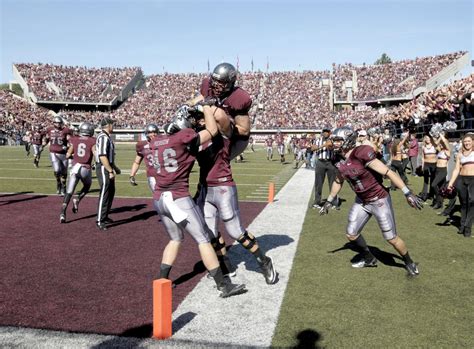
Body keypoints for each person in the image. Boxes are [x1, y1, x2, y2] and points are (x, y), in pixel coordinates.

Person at [153, 104, 247, 298]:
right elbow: (212, 131)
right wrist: (205, 108)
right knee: (203, 239)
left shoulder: (155, 142)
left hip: (159, 198)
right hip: (178, 198)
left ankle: (162, 280)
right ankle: (224, 285)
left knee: (175, 238)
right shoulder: (184, 139)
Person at [320, 126, 423, 277]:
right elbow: (338, 180)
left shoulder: (361, 153)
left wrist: (407, 193)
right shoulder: (337, 158)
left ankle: (408, 261)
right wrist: (329, 200)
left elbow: (388, 172)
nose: (334, 143)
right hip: (361, 200)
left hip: (378, 199)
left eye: (337, 140)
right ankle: (369, 258)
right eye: (333, 140)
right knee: (351, 233)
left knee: (391, 238)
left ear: (347, 140)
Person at [194, 106, 278, 285]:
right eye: (198, 119)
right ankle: (226, 266)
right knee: (210, 232)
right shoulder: (196, 136)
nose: (200, 121)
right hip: (206, 188)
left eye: (202, 118)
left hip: (223, 186)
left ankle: (264, 261)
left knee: (235, 231)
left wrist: (203, 106)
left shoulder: (222, 133)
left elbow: (221, 117)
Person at [187, 63, 252, 159]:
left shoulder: (238, 98)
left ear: (230, 83)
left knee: (216, 161)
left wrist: (223, 124)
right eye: (214, 81)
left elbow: (244, 131)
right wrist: (190, 104)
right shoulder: (207, 86)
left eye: (220, 83)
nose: (215, 85)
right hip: (214, 132)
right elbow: (200, 98)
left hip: (236, 139)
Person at [60, 122, 96, 223]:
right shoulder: (92, 140)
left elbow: (67, 155)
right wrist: (95, 164)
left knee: (69, 192)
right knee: (87, 186)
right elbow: (95, 153)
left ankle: (62, 213)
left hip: (75, 168)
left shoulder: (75, 139)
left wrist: (75, 156)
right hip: (85, 168)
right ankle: (78, 199)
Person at [95, 117, 121, 231]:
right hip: (103, 167)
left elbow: (109, 157)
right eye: (112, 124)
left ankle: (104, 216)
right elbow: (102, 156)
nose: (113, 126)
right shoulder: (103, 137)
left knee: (110, 192)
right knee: (105, 192)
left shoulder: (107, 138)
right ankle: (100, 219)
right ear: (108, 125)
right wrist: (110, 171)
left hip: (107, 166)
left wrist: (115, 168)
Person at [447, 133, 474, 237]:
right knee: (464, 203)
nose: (467, 143)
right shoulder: (460, 154)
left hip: (473, 180)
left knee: (472, 202)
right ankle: (462, 225)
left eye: (469, 141)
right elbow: (456, 169)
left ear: (472, 142)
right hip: (461, 180)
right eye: (465, 141)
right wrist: (450, 184)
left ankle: (467, 227)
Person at [42, 116, 72, 195]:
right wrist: (44, 142)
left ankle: (64, 187)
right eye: (56, 122)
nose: (58, 124)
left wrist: (68, 144)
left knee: (64, 172)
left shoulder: (66, 130)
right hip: (53, 152)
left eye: (59, 123)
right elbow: (47, 138)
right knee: (57, 170)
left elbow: (70, 140)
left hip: (63, 153)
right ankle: (58, 183)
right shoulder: (49, 130)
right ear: (53, 123)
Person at [311, 128, 338, 209]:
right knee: (318, 183)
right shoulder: (318, 140)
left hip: (330, 162)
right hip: (320, 162)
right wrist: (324, 145)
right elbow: (312, 148)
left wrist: (331, 146)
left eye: (327, 132)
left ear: (330, 133)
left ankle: (334, 202)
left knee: (333, 183)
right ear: (322, 133)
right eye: (324, 132)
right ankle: (317, 202)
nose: (326, 133)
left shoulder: (333, 139)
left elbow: (335, 149)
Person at [129, 124, 160, 193]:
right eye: (150, 132)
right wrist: (132, 175)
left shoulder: (163, 143)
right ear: (146, 134)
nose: (153, 134)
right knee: (158, 196)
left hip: (165, 174)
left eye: (155, 132)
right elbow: (137, 162)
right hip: (152, 175)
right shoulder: (142, 145)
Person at [430, 133, 450, 209]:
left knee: (433, 185)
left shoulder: (447, 151)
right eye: (440, 144)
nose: (441, 144)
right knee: (441, 187)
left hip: (443, 171)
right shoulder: (440, 150)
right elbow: (434, 144)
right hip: (437, 170)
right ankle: (440, 203)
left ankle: (438, 200)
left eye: (442, 143)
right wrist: (430, 135)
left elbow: (445, 142)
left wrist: (441, 134)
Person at [419, 135, 437, 201]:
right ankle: (424, 195)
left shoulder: (434, 146)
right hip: (426, 164)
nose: (428, 139)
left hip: (434, 164)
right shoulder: (423, 147)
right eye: (426, 138)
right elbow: (423, 157)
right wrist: (422, 166)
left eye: (429, 138)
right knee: (426, 180)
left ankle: (431, 195)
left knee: (433, 180)